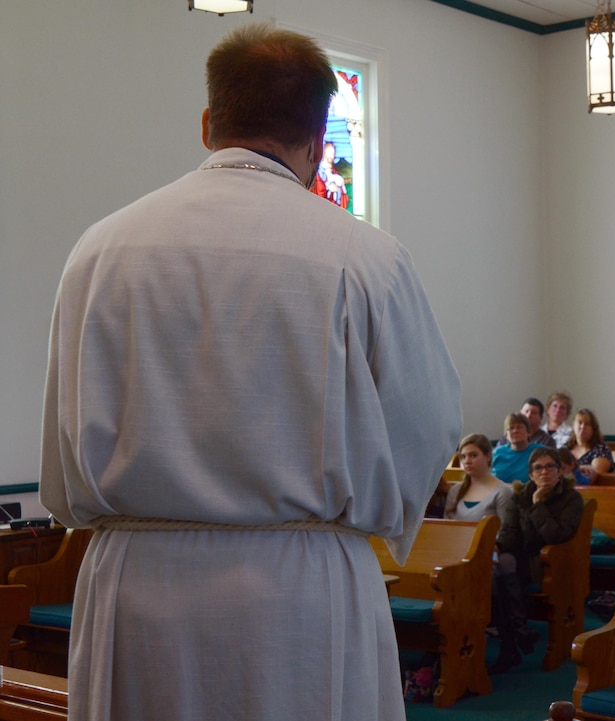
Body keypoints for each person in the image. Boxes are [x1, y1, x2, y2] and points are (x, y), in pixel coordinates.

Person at [37, 23, 461, 721]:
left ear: (208, 124)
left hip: (137, 589)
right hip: (304, 591)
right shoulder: (366, 255)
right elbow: (426, 419)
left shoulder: (99, 250)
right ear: (320, 147)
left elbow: (61, 440)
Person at [490, 448, 584, 673]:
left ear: (560, 470)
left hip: (550, 562)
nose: (545, 472)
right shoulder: (520, 496)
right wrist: (497, 546)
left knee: (504, 571)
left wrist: (538, 504)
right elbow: (510, 532)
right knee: (498, 566)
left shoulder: (571, 498)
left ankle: (513, 642)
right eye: (538, 468)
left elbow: (557, 536)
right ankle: (517, 636)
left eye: (550, 466)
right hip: (520, 561)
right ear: (531, 474)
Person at [444, 434, 514, 522]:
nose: (467, 461)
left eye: (473, 455)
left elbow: (506, 532)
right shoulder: (455, 491)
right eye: (463, 457)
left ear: (487, 456)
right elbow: (446, 527)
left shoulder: (502, 492)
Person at [492, 413, 547, 483]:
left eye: (520, 427)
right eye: (511, 428)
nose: (515, 431)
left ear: (529, 432)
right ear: (506, 435)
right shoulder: (497, 453)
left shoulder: (541, 451)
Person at [565, 408, 613, 482]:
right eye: (580, 423)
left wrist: (570, 469)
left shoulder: (601, 449)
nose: (583, 427)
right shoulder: (565, 447)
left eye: (587, 424)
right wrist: (582, 468)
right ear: (573, 425)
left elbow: (597, 471)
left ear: (593, 429)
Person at [311, 140, 349, 209]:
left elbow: (343, 194)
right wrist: (328, 188)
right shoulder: (317, 171)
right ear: (324, 152)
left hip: (334, 209)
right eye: (329, 152)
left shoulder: (334, 172)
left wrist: (338, 189)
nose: (331, 155)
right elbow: (317, 190)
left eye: (333, 153)